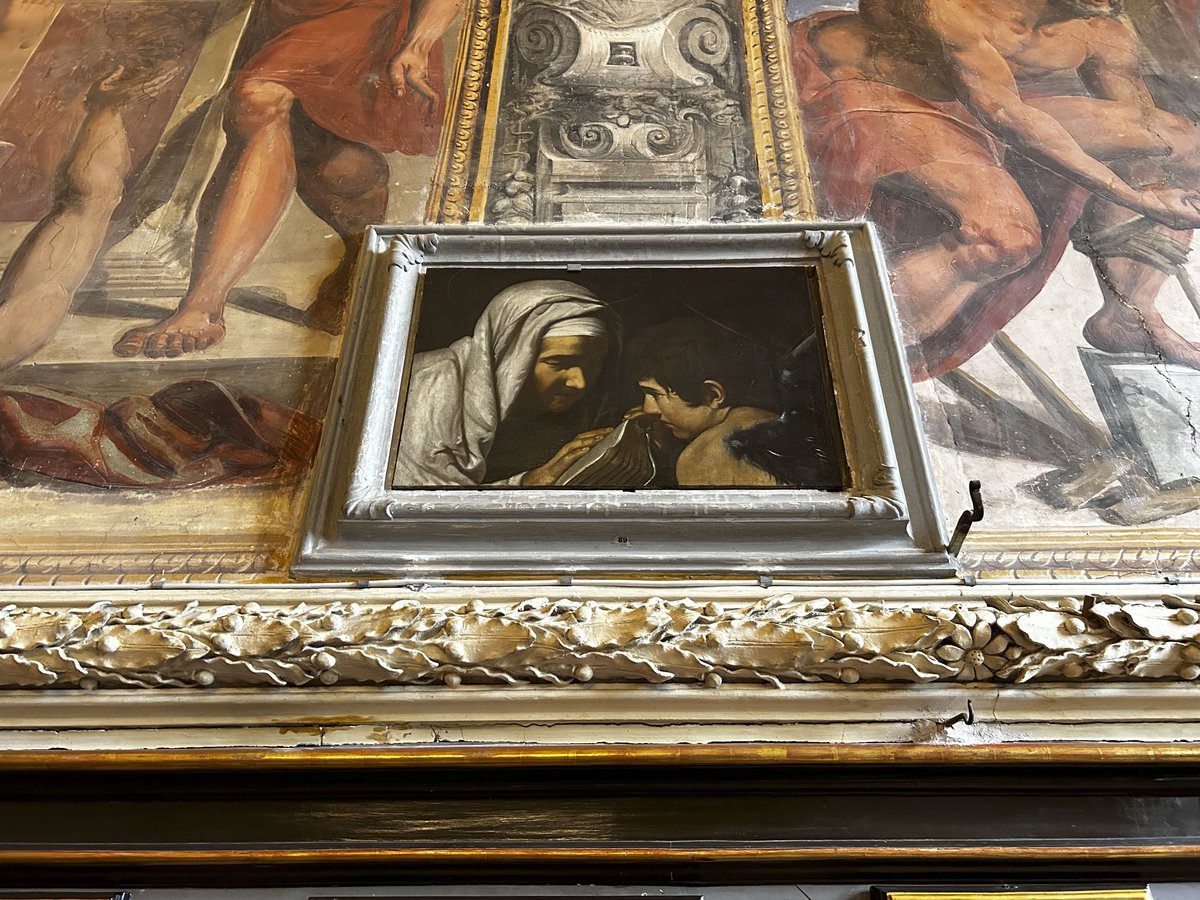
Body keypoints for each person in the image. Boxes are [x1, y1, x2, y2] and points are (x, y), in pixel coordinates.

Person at [790, 0, 1200, 379]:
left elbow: (1140, 137)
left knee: (1187, 144)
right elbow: (1007, 116)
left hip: (976, 100)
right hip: (869, 89)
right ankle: (830, 356)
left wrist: (1156, 188)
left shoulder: (1101, 31)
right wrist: (1132, 197)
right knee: (1004, 239)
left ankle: (1130, 314)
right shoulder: (953, 7)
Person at [113, 0, 462, 358]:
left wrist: (418, 43)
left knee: (258, 99)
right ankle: (357, 255)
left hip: (369, 16)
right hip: (279, 13)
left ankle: (203, 305)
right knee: (327, 159)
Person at [393, 280, 619, 487]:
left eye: (594, 362)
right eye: (557, 363)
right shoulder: (431, 381)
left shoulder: (570, 411)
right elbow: (425, 504)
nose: (580, 382)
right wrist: (530, 482)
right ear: (513, 354)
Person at [628, 318, 782, 487]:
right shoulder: (771, 421)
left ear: (712, 395)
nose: (648, 409)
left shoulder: (700, 459)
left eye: (655, 395)